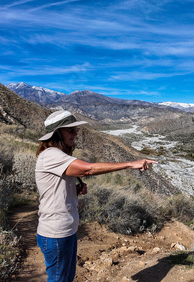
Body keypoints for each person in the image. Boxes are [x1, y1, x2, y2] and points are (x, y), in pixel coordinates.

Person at [34, 110, 157, 282]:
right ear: (56, 133)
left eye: (75, 129)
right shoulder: (51, 155)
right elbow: (87, 169)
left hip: (64, 230)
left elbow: (55, 190)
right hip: (55, 233)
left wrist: (74, 191)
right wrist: (130, 164)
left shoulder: (56, 156)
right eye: (70, 130)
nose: (75, 133)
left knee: (65, 278)